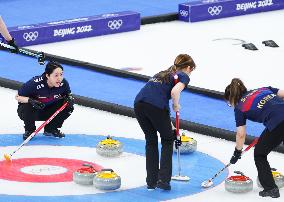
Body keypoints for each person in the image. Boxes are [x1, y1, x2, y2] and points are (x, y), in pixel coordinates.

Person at [134, 54, 196, 191]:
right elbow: (174, 93)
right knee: (168, 139)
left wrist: (173, 127)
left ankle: (151, 181)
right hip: (155, 107)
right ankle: (163, 180)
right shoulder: (183, 76)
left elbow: (160, 107)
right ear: (188, 67)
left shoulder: (162, 73)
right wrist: (176, 105)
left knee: (151, 140)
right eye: (191, 70)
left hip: (139, 104)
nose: (190, 73)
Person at [225, 78, 284, 198]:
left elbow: (241, 134)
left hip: (278, 123)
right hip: (277, 122)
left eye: (229, 103)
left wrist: (237, 152)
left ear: (232, 99)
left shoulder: (240, 107)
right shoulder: (262, 89)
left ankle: (271, 189)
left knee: (259, 154)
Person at [16, 61, 74, 140]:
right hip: (32, 112)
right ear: (47, 75)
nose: (59, 78)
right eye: (56, 75)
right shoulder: (34, 84)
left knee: (68, 106)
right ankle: (29, 130)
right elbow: (18, 97)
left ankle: (51, 129)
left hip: (48, 111)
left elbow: (68, 94)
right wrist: (30, 100)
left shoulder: (63, 84)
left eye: (61, 74)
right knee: (28, 105)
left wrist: (70, 98)